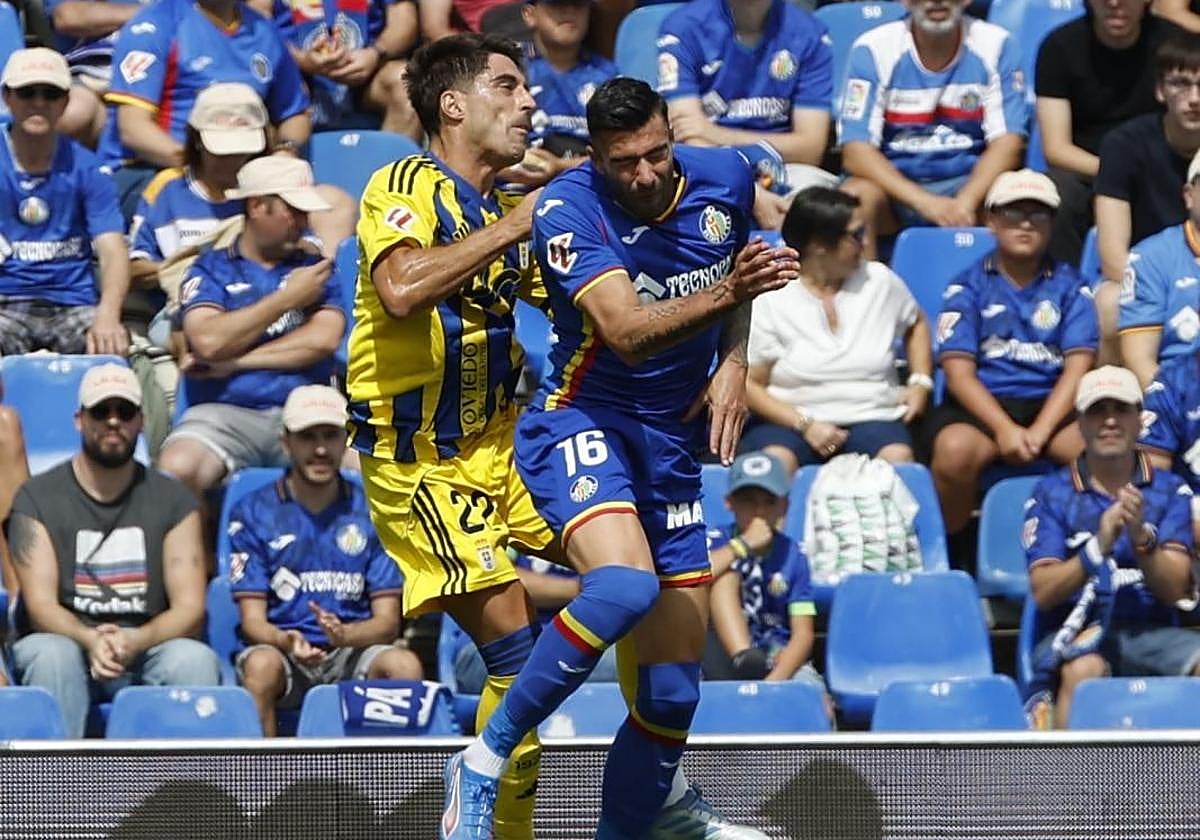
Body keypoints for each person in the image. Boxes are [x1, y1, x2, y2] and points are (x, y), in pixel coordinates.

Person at [442, 76, 798, 839]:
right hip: (584, 418)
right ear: (594, 156)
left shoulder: (723, 174)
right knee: (625, 587)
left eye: (654, 155)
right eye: (621, 162)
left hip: (670, 439)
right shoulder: (570, 208)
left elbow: (741, 276)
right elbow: (628, 330)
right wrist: (731, 290)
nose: (642, 175)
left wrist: (733, 363)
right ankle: (482, 759)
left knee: (672, 695)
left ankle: (646, 824)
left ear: (673, 136)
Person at [349, 33, 552, 839]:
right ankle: (495, 821)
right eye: (508, 85)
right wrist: (521, 224)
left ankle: (661, 792)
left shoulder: (503, 210)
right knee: (518, 654)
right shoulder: (404, 181)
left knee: (645, 572)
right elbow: (400, 288)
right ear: (454, 105)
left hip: (503, 455)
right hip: (420, 466)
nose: (528, 100)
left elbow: (590, 303)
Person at [6, 364, 220, 738]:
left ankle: (185, 791)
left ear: (141, 421)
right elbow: (39, 606)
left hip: (144, 642)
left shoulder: (174, 501)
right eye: (101, 412)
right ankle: (53, 786)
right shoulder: (37, 497)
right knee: (50, 654)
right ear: (79, 420)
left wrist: (135, 640)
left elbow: (190, 607)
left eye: (124, 412)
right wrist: (90, 639)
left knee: (193, 660)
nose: (113, 421)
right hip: (68, 639)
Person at [229, 385, 423, 736]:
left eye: (330, 436)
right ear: (286, 442)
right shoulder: (253, 511)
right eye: (307, 437)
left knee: (403, 664)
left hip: (353, 650)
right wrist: (289, 641)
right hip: (283, 651)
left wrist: (345, 634)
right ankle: (263, 784)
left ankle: (390, 785)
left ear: (345, 441)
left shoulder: (374, 511)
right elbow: (252, 622)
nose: (320, 449)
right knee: (259, 666)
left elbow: (387, 622)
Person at [156, 156, 345, 499]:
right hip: (224, 415)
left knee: (370, 470)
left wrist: (235, 362)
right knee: (175, 471)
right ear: (257, 206)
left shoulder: (316, 270)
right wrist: (286, 300)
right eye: (294, 211)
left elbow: (323, 340)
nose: (305, 222)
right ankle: (197, 555)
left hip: (310, 411)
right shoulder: (210, 269)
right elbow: (208, 341)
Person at [98, 0, 353, 250]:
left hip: (239, 168)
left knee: (335, 205)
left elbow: (295, 114)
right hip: (156, 168)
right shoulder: (155, 24)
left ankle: (313, 286)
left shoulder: (264, 30)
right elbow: (133, 129)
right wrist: (203, 166)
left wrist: (284, 152)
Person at [1023, 365, 1199, 729]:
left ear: (1139, 420)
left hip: (1152, 632)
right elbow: (1043, 592)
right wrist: (1095, 549)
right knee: (1082, 670)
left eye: (1120, 410)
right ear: (1080, 423)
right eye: (1097, 411)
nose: (1110, 421)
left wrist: (1141, 540)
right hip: (1074, 631)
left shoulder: (1170, 491)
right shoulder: (1051, 494)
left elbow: (1174, 589)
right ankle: (1065, 782)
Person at [929, 170, 1097, 540]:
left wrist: (1039, 431)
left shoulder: (1073, 286)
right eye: (1012, 213)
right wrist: (1005, 429)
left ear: (1052, 222)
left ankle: (1086, 543)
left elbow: (1078, 368)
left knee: (1102, 447)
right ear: (991, 220)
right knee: (953, 450)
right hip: (984, 409)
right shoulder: (966, 285)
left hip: (1051, 405)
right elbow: (958, 374)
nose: (1025, 223)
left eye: (1038, 213)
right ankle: (953, 546)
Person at [742, 186, 931, 475]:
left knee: (899, 461)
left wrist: (920, 381)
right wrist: (806, 425)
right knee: (774, 467)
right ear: (819, 245)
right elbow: (750, 384)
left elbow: (915, 322)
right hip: (790, 422)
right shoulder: (772, 296)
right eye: (856, 235)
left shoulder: (879, 281)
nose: (866, 242)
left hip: (873, 416)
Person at [838, 0, 1026, 259]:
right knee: (855, 197)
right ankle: (866, 294)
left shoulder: (997, 45)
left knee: (1015, 193)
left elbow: (1008, 142)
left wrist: (965, 201)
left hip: (969, 183)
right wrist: (926, 203)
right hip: (895, 189)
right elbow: (855, 150)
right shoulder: (872, 48)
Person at [0, 47, 129, 357]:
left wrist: (108, 314)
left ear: (66, 102)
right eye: (27, 92)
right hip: (5, 301)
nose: (39, 103)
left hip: (72, 301)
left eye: (51, 93)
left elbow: (112, 249)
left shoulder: (88, 167)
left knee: (114, 352)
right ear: (7, 97)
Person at [1035, 0, 1185, 266]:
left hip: (1159, 165)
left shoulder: (1174, 46)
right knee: (1058, 194)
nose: (1115, 4)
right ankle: (1065, 291)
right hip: (1089, 170)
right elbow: (1056, 149)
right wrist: (1116, 172)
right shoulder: (1059, 47)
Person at [1092, 31, 1200, 364]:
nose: (1194, 98)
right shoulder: (1124, 145)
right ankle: (1115, 405)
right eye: (1180, 84)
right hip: (1148, 277)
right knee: (1110, 304)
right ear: (1159, 90)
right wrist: (1178, 289)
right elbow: (1112, 257)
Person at [656, 0, 834, 191]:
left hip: (787, 167)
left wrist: (714, 133)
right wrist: (748, 189)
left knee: (812, 199)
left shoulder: (810, 33)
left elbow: (810, 149)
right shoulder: (682, 27)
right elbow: (689, 139)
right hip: (710, 164)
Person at [706, 452, 826, 702]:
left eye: (769, 501)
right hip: (720, 657)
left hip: (778, 659)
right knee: (723, 575)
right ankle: (745, 657)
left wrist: (773, 683)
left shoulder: (794, 555)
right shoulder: (717, 541)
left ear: (785, 506)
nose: (759, 511)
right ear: (730, 502)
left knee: (815, 698)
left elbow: (803, 634)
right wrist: (744, 544)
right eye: (748, 501)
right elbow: (695, 576)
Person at [274, 0, 421, 138]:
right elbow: (260, 28)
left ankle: (395, 163)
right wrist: (301, 60)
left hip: (367, 76)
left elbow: (404, 20)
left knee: (406, 84)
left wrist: (375, 53)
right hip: (294, 76)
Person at [1116, 148, 1200, 387]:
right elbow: (1140, 361)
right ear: (1189, 195)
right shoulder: (1152, 256)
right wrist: (1180, 406)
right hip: (1178, 394)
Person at [517, 0, 616, 176]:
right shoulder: (508, 67)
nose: (569, 11)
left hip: (588, 185)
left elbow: (623, 148)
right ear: (529, 15)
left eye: (578, 5)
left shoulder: (608, 75)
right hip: (515, 186)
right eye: (557, 5)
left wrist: (560, 166)